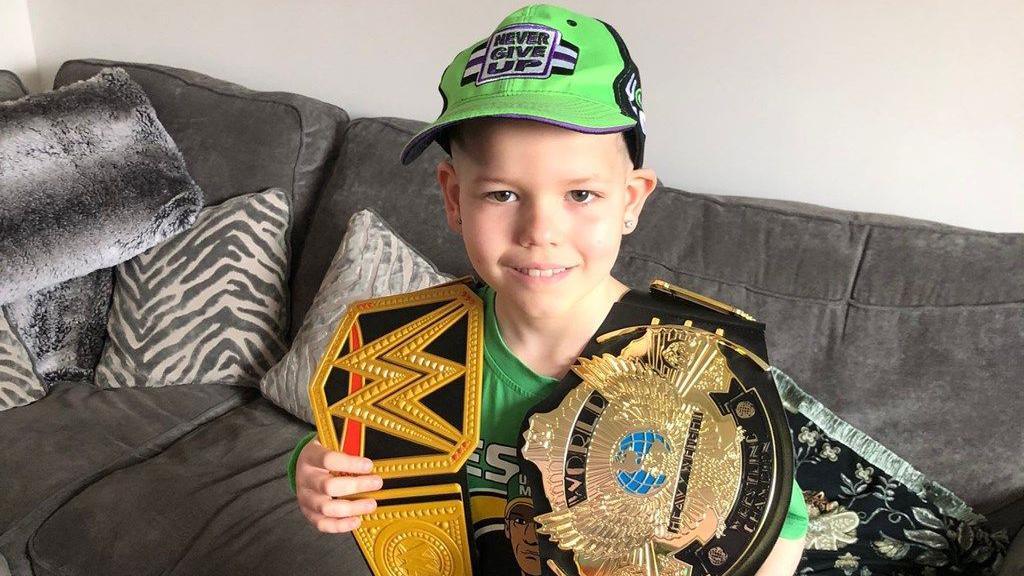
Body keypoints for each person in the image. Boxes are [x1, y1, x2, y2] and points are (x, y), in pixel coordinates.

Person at [289, 4, 808, 575]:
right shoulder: (402, 349)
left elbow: (775, 528)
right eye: (502, 195)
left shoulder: (701, 369)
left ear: (631, 200)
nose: (540, 232)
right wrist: (315, 472)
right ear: (454, 198)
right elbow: (346, 451)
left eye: (580, 195)